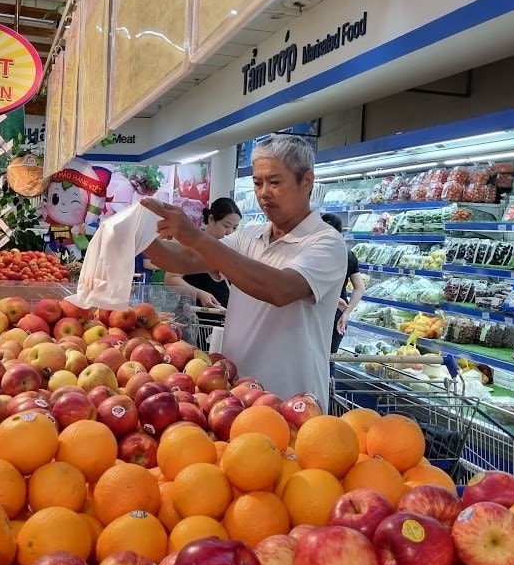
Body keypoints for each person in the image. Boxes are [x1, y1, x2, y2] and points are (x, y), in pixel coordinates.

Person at [141, 135, 347, 409]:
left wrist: (196, 236)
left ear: (306, 181)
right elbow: (185, 259)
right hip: (233, 393)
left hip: (292, 402)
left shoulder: (327, 243)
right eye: (257, 183)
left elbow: (280, 289)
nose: (264, 192)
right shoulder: (250, 236)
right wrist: (139, 235)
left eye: (275, 182)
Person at [165, 198, 241, 309]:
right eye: (226, 226)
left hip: (221, 318)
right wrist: (199, 294)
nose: (230, 232)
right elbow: (170, 279)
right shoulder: (192, 243)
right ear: (211, 219)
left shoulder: (229, 249)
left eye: (234, 228)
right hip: (193, 315)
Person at [322, 213, 365, 354]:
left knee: (314, 359)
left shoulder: (315, 254)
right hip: (338, 312)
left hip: (318, 310)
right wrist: (346, 313)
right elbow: (359, 287)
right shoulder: (348, 254)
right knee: (331, 358)